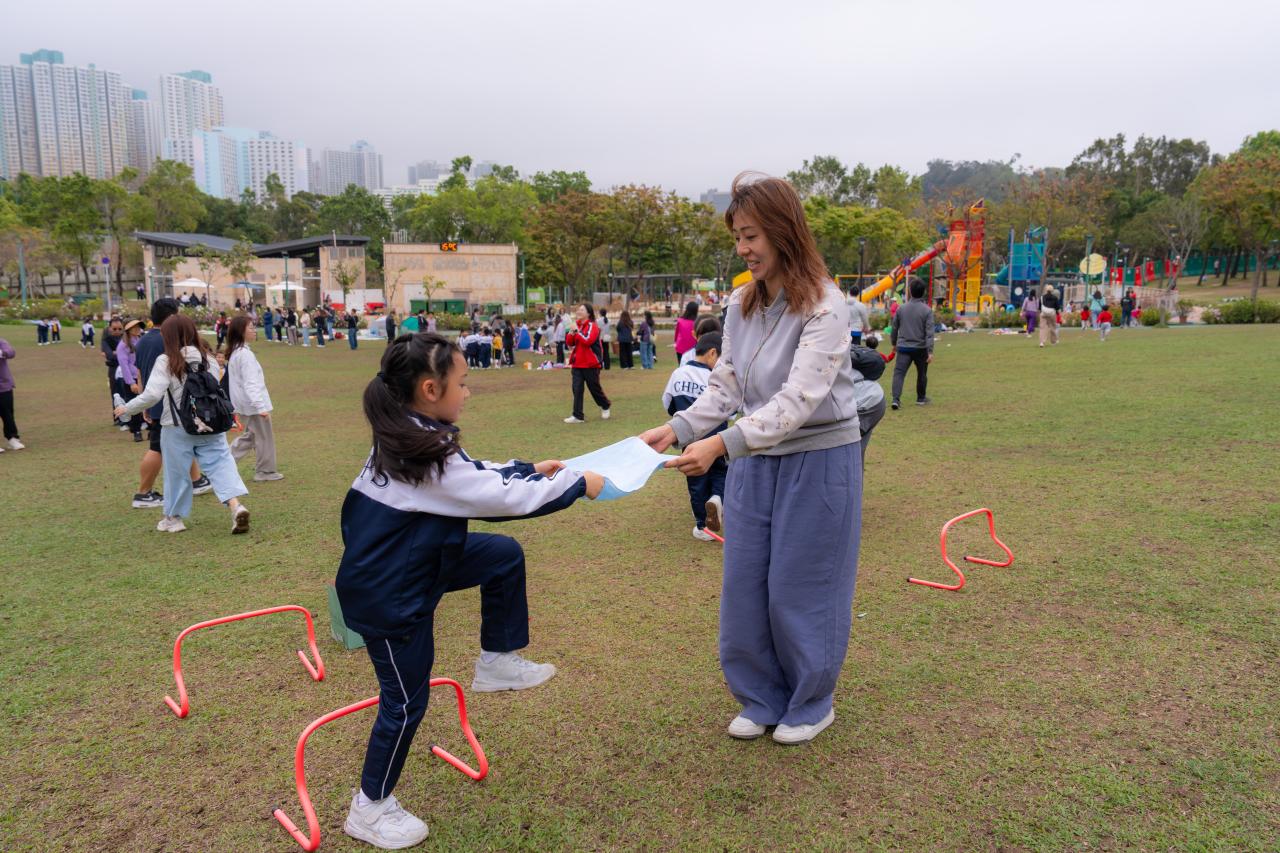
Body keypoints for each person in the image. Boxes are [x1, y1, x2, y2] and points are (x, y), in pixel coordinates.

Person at [334, 332, 604, 848]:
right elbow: (498, 500)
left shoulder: (414, 434)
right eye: (462, 382)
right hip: (390, 595)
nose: (468, 392)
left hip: (416, 563)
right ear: (430, 389)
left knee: (501, 555)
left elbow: (472, 475)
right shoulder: (420, 452)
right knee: (404, 703)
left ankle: (496, 661)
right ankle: (369, 807)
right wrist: (576, 484)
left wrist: (528, 469)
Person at [639, 173, 861, 746]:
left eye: (751, 235)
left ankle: (810, 702)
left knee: (801, 584)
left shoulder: (826, 305)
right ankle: (761, 698)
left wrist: (719, 444)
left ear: (784, 231)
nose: (742, 248)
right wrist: (677, 429)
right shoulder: (741, 304)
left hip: (817, 459)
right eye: (737, 237)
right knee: (745, 584)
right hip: (754, 459)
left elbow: (799, 399)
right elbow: (728, 381)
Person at [115, 314, 249, 534]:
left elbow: (152, 394)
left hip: (177, 426)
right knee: (221, 465)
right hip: (211, 422)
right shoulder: (208, 358)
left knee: (176, 472)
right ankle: (236, 506)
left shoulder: (167, 360)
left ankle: (173, 519)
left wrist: (127, 409)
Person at [131, 298, 212, 510]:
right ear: (171, 317)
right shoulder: (167, 340)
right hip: (168, 402)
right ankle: (143, 493)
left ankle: (196, 480)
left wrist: (145, 404)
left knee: (185, 440)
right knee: (156, 448)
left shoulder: (142, 341)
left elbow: (140, 374)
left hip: (154, 399)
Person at [663, 332, 727, 541]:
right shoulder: (715, 377)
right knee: (720, 472)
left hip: (689, 439)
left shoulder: (678, 373)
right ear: (712, 353)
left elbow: (668, 403)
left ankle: (703, 526)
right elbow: (730, 410)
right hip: (717, 439)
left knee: (696, 480)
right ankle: (717, 498)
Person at [223, 316, 284, 482]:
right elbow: (251, 383)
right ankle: (264, 471)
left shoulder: (238, 352)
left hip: (246, 404)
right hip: (252, 404)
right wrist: (260, 407)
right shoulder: (244, 354)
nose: (254, 330)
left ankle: (223, 463)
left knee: (252, 436)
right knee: (263, 437)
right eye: (250, 328)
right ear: (241, 331)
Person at [890, 277, 935, 409]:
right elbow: (929, 333)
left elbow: (894, 328)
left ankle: (896, 399)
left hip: (903, 347)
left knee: (899, 373)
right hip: (921, 348)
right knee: (922, 373)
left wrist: (894, 343)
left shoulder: (901, 309)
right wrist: (930, 351)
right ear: (923, 292)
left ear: (909, 291)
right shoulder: (927, 310)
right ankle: (921, 398)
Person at [563, 304, 611, 423]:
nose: (579, 311)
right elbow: (569, 342)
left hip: (591, 364)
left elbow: (587, 340)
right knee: (577, 389)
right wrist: (571, 332)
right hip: (577, 364)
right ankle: (578, 416)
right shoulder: (576, 325)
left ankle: (605, 405)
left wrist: (577, 331)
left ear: (588, 313)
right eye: (578, 309)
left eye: (582, 310)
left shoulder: (592, 326)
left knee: (594, 389)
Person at [116, 319, 147, 442]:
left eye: (138, 326)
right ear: (128, 330)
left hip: (143, 376)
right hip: (132, 379)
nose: (137, 329)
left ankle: (151, 428)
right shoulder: (123, 345)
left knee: (147, 402)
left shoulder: (140, 340)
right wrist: (131, 382)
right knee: (134, 405)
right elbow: (124, 365)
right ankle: (136, 431)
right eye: (134, 327)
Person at [0, 337, 22, 451]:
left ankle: (12, 438)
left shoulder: (1, 342)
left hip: (3, 385)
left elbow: (11, 352)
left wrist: (2, 353)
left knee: (8, 413)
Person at [101, 317, 123, 424]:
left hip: (127, 369)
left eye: (120, 329)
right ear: (109, 328)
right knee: (115, 394)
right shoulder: (106, 340)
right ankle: (117, 418)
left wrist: (116, 352)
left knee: (129, 394)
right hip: (113, 369)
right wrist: (122, 353)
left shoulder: (126, 338)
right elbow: (109, 355)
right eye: (114, 329)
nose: (117, 331)